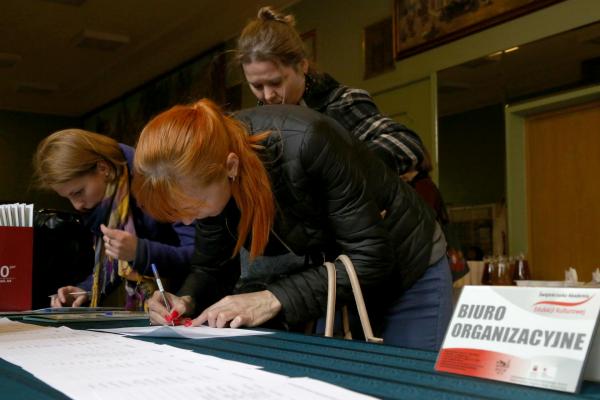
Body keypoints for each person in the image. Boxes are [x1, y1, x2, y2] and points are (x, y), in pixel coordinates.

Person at [134, 99, 452, 350]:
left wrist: (271, 298)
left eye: (193, 207)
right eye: (179, 213)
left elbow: (371, 259)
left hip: (407, 265)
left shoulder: (308, 141)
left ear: (230, 166)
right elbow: (210, 267)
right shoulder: (209, 175)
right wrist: (186, 298)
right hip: (340, 277)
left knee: (412, 387)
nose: (189, 220)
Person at [236, 6, 425, 175]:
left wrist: (339, 168)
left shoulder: (342, 102)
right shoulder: (252, 125)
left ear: (302, 66)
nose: (268, 95)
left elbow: (406, 143)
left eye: (276, 82)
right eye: (257, 86)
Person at [34, 129, 195, 310]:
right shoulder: (105, 204)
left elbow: (199, 256)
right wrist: (85, 290)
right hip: (157, 310)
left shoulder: (157, 179)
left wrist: (139, 251)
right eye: (68, 198)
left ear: (104, 168)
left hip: (195, 302)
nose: (77, 205)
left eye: (78, 192)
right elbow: (117, 263)